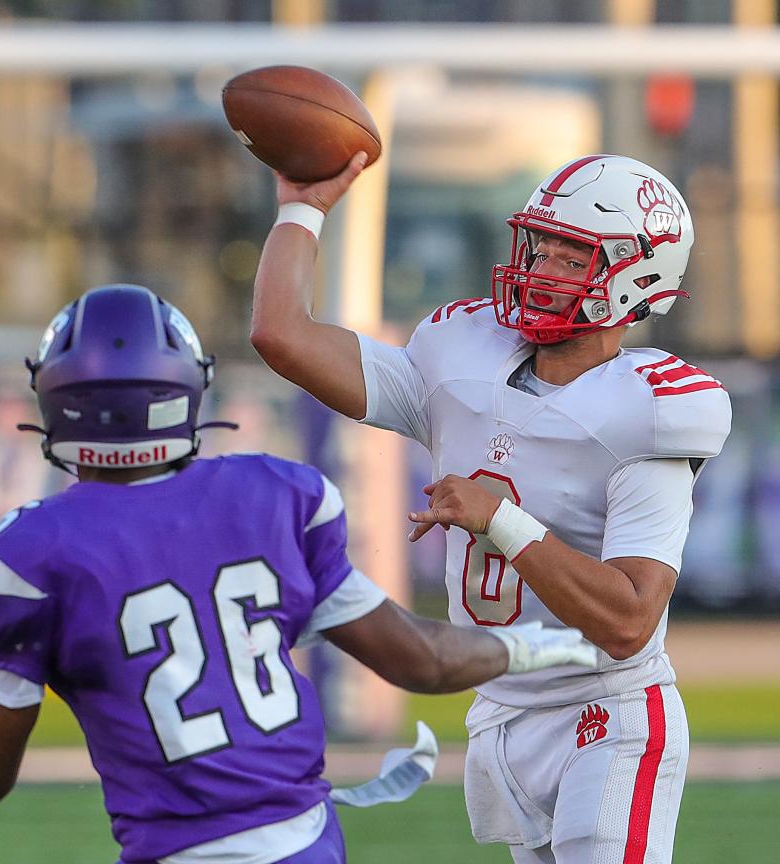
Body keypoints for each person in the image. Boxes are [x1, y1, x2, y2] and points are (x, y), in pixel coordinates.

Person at [0, 284, 594, 864]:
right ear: (185, 391)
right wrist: (544, 646)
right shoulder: (273, 498)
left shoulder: (27, 556)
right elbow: (425, 660)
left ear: (56, 403)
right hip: (305, 848)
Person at [249, 154, 732, 864]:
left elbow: (630, 621)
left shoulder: (649, 415)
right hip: (500, 707)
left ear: (636, 276)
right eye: (541, 245)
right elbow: (281, 335)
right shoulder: (461, 357)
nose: (541, 268)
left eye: (573, 255)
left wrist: (498, 520)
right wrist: (302, 208)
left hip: (607, 710)